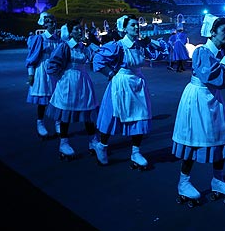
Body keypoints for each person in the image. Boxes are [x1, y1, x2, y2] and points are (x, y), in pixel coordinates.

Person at [172, 14, 225, 207]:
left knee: (220, 137)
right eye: (224, 31)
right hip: (198, 97)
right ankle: (184, 182)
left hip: (213, 97)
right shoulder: (202, 51)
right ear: (212, 32)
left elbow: (223, 81)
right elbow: (211, 76)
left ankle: (217, 179)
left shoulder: (219, 52)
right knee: (194, 140)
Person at [92, 15, 152, 168]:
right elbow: (98, 59)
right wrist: (110, 74)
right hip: (121, 84)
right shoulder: (118, 45)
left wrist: (150, 43)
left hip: (137, 82)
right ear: (124, 28)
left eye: (137, 24)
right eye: (132, 25)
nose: (136, 27)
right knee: (113, 117)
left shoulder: (139, 45)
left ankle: (136, 152)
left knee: (140, 116)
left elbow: (158, 53)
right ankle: (102, 146)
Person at [46, 20, 99, 160]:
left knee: (87, 111)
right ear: (70, 32)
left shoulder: (83, 47)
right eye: (76, 29)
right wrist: (61, 78)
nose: (80, 31)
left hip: (83, 80)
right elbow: (52, 64)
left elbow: (94, 59)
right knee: (66, 112)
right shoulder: (65, 47)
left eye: (81, 29)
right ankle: (64, 143)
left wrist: (94, 48)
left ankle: (93, 141)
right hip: (68, 81)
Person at [26, 12, 62, 139]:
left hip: (56, 70)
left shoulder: (59, 39)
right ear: (45, 24)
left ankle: (58, 122)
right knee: (43, 100)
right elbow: (32, 57)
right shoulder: (40, 39)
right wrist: (31, 74)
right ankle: (40, 122)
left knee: (57, 98)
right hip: (43, 69)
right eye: (50, 22)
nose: (53, 24)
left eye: (54, 22)